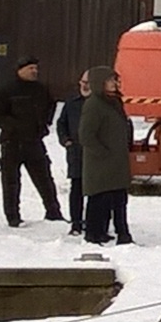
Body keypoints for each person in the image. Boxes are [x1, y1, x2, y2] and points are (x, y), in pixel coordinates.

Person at [0, 56, 65, 227]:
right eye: (31, 68)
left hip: (34, 141)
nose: (34, 71)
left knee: (45, 178)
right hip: (12, 142)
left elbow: (51, 106)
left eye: (36, 68)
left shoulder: (41, 90)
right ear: (20, 70)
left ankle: (53, 212)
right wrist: (13, 126)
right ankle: (13, 216)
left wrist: (45, 124)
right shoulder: (7, 90)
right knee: (11, 182)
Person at [75, 65, 134, 245]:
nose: (114, 83)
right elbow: (86, 135)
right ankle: (94, 233)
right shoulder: (94, 104)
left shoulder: (114, 102)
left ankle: (119, 232)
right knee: (99, 198)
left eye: (115, 80)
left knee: (118, 199)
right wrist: (103, 153)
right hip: (101, 162)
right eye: (110, 80)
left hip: (116, 161)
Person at [56, 81, 87, 230]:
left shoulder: (102, 103)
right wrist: (65, 140)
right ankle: (76, 223)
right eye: (83, 83)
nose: (85, 86)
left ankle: (95, 222)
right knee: (77, 188)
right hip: (76, 152)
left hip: (97, 154)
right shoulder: (72, 103)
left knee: (98, 191)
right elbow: (61, 123)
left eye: (89, 83)